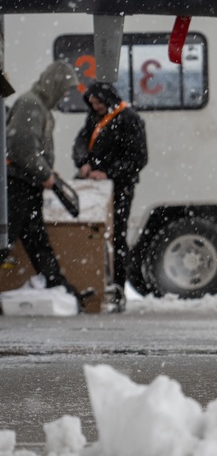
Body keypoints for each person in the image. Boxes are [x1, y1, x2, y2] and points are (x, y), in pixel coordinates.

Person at [4, 61, 94, 308]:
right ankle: (60, 287)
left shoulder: (40, 107)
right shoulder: (31, 104)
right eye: (64, 89)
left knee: (37, 242)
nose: (64, 95)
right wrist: (44, 173)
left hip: (28, 185)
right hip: (18, 186)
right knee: (6, 240)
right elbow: (21, 148)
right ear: (53, 84)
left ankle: (61, 289)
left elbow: (32, 150)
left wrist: (47, 170)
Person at [72, 82, 148, 307]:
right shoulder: (93, 117)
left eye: (98, 102)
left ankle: (117, 288)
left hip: (119, 188)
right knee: (91, 234)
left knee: (116, 236)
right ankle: (92, 282)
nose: (95, 107)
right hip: (93, 186)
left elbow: (138, 158)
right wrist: (83, 163)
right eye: (92, 103)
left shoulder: (129, 119)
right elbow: (81, 142)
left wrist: (108, 173)